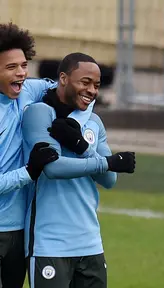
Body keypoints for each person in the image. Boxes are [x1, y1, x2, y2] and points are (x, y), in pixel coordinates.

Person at [22, 52, 136, 288]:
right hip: (49, 244)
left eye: (96, 85)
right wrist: (106, 161)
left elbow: (109, 179)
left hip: (91, 243)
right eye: (85, 82)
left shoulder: (93, 121)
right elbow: (52, 168)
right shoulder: (39, 113)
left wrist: (82, 147)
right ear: (63, 78)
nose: (92, 91)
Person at [0, 22, 61, 287]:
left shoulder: (29, 92)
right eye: (11, 67)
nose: (21, 73)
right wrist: (29, 172)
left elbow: (72, 89)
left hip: (20, 231)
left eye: (24, 65)